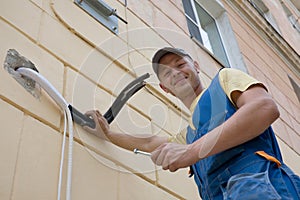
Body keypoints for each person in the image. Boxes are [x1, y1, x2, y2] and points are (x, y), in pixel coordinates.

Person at [84, 47, 300, 199]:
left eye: (180, 64)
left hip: (262, 189)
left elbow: (264, 108)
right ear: (164, 88)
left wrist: (192, 152)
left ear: (196, 66)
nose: (175, 72)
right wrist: (108, 135)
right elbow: (151, 142)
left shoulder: (224, 80)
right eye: (167, 73)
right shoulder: (190, 134)